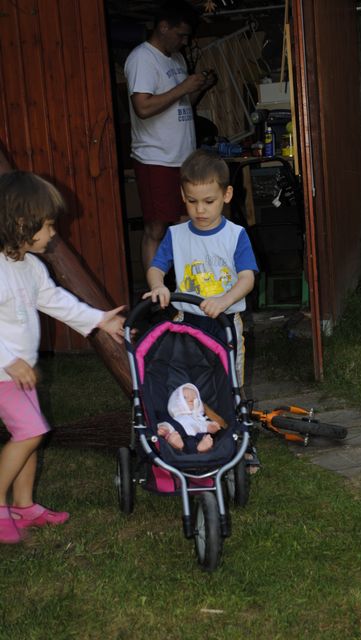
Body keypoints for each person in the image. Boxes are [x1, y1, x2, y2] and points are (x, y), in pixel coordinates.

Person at [0, 171, 126, 544]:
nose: (53, 233)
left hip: (19, 374)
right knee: (31, 432)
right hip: (3, 373)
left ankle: (24, 506)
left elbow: (56, 302)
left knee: (31, 433)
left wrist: (99, 320)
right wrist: (7, 359)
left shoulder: (30, 267)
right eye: (48, 225)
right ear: (21, 223)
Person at [143, 148, 258, 388]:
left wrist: (225, 300)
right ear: (183, 195)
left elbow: (247, 278)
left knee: (229, 382)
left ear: (226, 195)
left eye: (209, 201)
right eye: (192, 201)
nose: (200, 210)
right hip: (188, 321)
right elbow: (156, 268)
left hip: (226, 321)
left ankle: (233, 410)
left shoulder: (235, 235)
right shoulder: (176, 235)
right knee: (189, 381)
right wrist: (157, 286)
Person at [124, 0, 217, 278]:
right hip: (156, 158)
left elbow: (181, 103)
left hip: (183, 159)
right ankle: (157, 293)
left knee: (186, 223)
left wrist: (199, 88)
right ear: (163, 27)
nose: (185, 42)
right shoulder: (142, 58)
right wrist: (184, 87)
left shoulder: (176, 59)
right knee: (156, 228)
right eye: (181, 35)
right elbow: (143, 108)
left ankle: (187, 288)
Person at [157, 383, 221, 453]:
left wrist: (211, 427)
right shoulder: (176, 418)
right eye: (185, 397)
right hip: (180, 436)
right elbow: (168, 424)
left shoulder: (200, 418)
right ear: (176, 401)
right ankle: (177, 446)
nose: (191, 399)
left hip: (198, 440)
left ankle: (203, 449)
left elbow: (204, 426)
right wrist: (165, 429)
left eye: (195, 398)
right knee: (173, 434)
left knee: (207, 438)